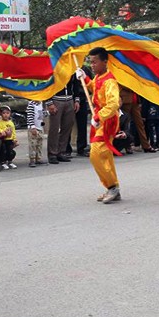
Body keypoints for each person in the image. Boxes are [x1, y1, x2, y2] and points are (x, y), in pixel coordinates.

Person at [76, 47, 121, 204]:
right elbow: (94, 88)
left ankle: (112, 187)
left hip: (108, 120)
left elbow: (113, 104)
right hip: (99, 120)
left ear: (104, 62)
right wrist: (85, 79)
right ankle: (112, 187)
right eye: (90, 62)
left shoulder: (110, 81)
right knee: (105, 156)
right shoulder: (99, 77)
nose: (92, 65)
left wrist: (99, 116)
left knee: (96, 153)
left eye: (95, 62)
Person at [45, 75, 79, 164]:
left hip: (69, 99)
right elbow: (47, 84)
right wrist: (49, 102)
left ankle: (61, 151)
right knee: (54, 128)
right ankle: (52, 153)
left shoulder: (71, 68)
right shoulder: (54, 68)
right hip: (56, 100)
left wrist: (77, 100)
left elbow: (76, 84)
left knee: (67, 127)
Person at [26, 99, 46, 166]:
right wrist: (32, 127)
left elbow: (42, 115)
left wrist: (46, 113)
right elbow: (30, 117)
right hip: (33, 128)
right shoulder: (31, 104)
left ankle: (38, 158)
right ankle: (32, 159)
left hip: (40, 127)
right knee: (33, 144)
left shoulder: (41, 104)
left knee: (39, 144)